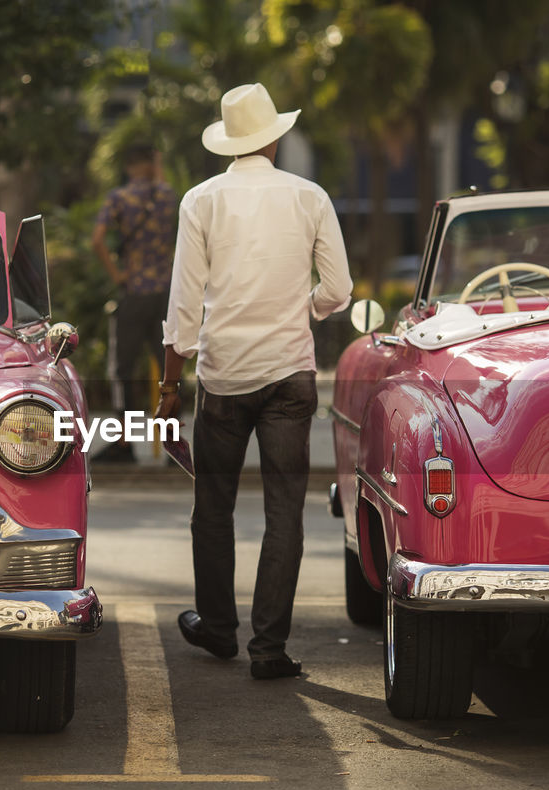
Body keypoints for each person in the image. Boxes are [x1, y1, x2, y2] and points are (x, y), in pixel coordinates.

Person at [156, 83, 353, 679]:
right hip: (290, 375)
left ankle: (218, 630)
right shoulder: (309, 196)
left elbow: (184, 306)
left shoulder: (201, 201)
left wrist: (168, 388)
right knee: (284, 513)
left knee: (213, 508)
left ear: (228, 143)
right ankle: (269, 650)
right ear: (274, 138)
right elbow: (340, 291)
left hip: (223, 374)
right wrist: (307, 308)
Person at [91, 142, 178, 463]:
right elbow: (164, 186)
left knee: (122, 369)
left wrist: (118, 275)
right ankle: (173, 447)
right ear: (152, 164)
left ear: (129, 167)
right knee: (168, 371)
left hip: (135, 292)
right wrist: (158, 167)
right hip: (164, 294)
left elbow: (98, 239)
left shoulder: (119, 198)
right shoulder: (167, 196)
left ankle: (124, 445)